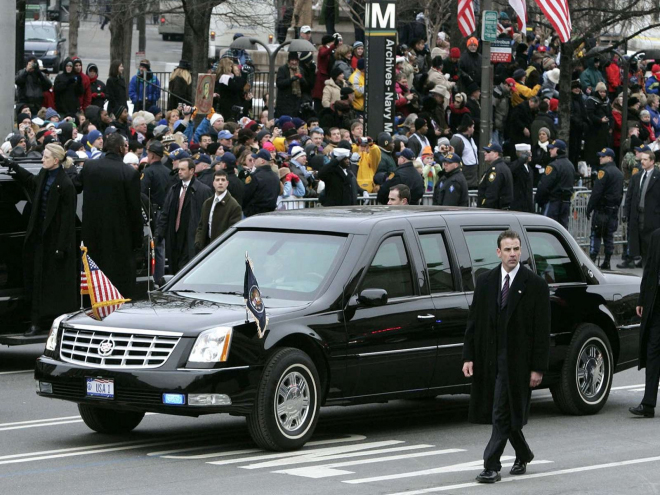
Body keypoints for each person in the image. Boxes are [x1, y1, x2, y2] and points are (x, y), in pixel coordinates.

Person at [463, 230, 550, 484]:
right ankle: (523, 453)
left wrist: (538, 368)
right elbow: (474, 322)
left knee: (501, 411)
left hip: (518, 362)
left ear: (521, 251)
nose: (513, 254)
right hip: (490, 358)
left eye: (516, 249)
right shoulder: (486, 281)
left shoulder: (535, 285)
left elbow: (542, 331)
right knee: (502, 409)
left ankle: (491, 465)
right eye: (508, 249)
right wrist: (468, 357)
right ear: (498, 252)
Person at [4, 144, 78, 335]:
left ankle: (52, 324)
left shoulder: (66, 185)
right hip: (40, 238)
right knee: (37, 281)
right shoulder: (45, 176)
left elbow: (67, 221)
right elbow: (31, 181)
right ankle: (35, 321)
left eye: (45, 157)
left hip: (55, 241)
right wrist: (13, 166)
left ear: (55, 160)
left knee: (54, 285)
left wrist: (61, 248)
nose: (42, 160)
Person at [73, 133, 143, 298]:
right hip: (120, 239)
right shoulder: (129, 173)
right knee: (118, 287)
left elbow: (74, 186)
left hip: (92, 236)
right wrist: (137, 240)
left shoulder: (89, 167)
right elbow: (134, 210)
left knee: (95, 286)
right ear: (120, 148)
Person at [157, 157, 212, 274]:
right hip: (174, 238)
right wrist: (159, 235)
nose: (179, 172)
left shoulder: (202, 190)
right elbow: (165, 213)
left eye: (183, 169)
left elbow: (207, 218)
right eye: (178, 169)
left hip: (191, 239)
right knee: (174, 270)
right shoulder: (174, 189)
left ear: (192, 171)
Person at [630, 228, 660, 418]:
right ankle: (648, 403)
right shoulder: (657, 236)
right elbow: (649, 268)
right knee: (653, 351)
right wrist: (642, 300)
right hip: (656, 303)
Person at [587, 148, 624, 270]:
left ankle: (592, 260)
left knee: (596, 235)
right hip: (613, 210)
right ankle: (607, 261)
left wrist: (589, 207)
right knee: (609, 237)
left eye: (603, 156)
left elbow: (597, 192)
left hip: (602, 210)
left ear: (609, 158)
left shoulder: (603, 172)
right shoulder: (619, 173)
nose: (600, 158)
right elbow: (620, 193)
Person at [622, 148, 660, 266]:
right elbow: (629, 196)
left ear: (652, 161)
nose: (642, 162)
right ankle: (642, 263)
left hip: (653, 217)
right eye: (641, 159)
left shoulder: (658, 177)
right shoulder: (637, 176)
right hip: (637, 216)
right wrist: (625, 212)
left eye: (645, 159)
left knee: (651, 244)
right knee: (638, 242)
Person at [195, 170, 242, 251]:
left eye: (223, 180)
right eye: (217, 180)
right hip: (205, 247)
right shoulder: (207, 203)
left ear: (227, 183)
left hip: (222, 249)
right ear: (213, 183)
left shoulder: (234, 206)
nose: (220, 183)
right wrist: (198, 242)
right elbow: (201, 225)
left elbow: (233, 233)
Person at [535, 140, 575, 229]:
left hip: (553, 203)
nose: (550, 150)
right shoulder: (570, 165)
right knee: (562, 231)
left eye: (552, 149)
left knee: (546, 228)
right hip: (565, 203)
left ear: (559, 150)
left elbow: (544, 185)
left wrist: (539, 200)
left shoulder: (553, 166)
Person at [242, 149, 280, 217]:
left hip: (253, 214)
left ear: (262, 161)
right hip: (269, 214)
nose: (254, 160)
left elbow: (246, 196)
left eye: (256, 159)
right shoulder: (275, 177)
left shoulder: (255, 176)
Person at [477, 143, 514, 210]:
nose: (485, 153)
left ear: (496, 154)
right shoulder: (501, 167)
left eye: (488, 151)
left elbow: (492, 193)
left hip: (494, 210)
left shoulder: (496, 170)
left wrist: (483, 208)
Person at [275, 52, 309, 117]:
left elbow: (305, 86)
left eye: (295, 60)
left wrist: (302, 80)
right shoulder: (283, 69)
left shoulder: (301, 70)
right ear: (289, 61)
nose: (294, 62)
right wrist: (291, 80)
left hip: (296, 102)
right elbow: (279, 83)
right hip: (285, 102)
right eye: (292, 60)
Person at [509, 144, 535, 213]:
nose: (530, 155)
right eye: (528, 153)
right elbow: (511, 169)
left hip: (528, 204)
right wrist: (521, 159)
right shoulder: (517, 167)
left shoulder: (530, 169)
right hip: (518, 204)